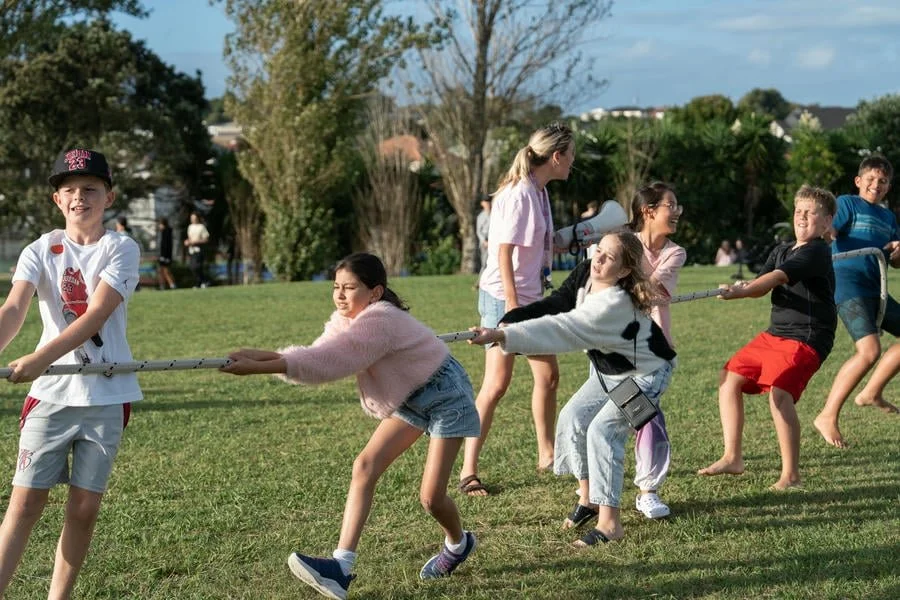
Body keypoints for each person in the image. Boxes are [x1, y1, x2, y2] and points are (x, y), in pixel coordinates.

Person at [220, 252, 480, 600]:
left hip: (446, 395)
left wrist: (257, 366)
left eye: (350, 288)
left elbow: (328, 363)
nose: (340, 295)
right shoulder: (347, 319)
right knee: (364, 466)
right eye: (336, 287)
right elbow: (315, 353)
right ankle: (341, 568)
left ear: (374, 292)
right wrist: (260, 355)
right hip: (409, 396)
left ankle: (458, 543)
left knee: (431, 499)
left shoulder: (380, 320)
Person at [469, 232, 676, 546]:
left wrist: (503, 336)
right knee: (572, 419)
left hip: (646, 373)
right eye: (599, 251)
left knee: (603, 431)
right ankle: (590, 498)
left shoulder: (613, 305)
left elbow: (562, 329)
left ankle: (610, 525)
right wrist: (509, 321)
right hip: (610, 371)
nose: (599, 259)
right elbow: (558, 305)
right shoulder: (587, 272)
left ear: (623, 272)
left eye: (609, 257)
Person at [0, 148, 143, 598]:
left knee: (83, 508)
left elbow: (97, 314)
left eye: (90, 189)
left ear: (109, 196)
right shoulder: (39, 250)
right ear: (57, 201)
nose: (80, 197)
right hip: (52, 397)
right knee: (24, 503)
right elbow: (14, 309)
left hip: (106, 394)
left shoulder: (121, 247)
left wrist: (40, 357)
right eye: (69, 190)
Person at [460, 122, 575, 496]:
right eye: (570, 155)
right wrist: (510, 307)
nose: (573, 162)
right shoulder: (519, 193)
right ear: (556, 157)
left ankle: (547, 455)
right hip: (504, 299)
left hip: (532, 298)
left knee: (549, 376)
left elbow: (537, 245)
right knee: (495, 385)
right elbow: (503, 251)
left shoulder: (539, 191)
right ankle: (468, 472)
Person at [699, 185, 837, 489]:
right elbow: (759, 282)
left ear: (826, 223)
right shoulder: (782, 250)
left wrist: (743, 291)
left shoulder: (816, 251)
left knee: (779, 394)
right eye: (798, 211)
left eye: (810, 213)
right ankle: (732, 457)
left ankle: (791, 476)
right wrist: (739, 286)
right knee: (730, 376)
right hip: (776, 334)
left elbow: (774, 279)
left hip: (808, 337)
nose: (801, 217)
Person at [815, 156, 900, 448]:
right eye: (872, 179)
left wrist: (898, 251)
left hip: (878, 289)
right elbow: (829, 230)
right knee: (869, 350)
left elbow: (896, 260)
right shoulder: (848, 203)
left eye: (883, 181)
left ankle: (872, 393)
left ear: (889, 185)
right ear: (859, 180)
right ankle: (827, 415)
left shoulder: (889, 218)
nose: (877, 185)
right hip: (849, 286)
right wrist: (829, 231)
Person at [184, 212, 210, 288]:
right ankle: (200, 282)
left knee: (197, 266)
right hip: (191, 249)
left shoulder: (201, 227)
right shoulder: (190, 227)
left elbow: (206, 239)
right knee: (192, 267)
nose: (193, 220)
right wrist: (187, 241)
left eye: (194, 218)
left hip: (199, 249)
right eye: (191, 218)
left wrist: (196, 242)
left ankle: (203, 281)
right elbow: (189, 238)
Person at [156, 217, 177, 290]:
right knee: (161, 271)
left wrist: (165, 256)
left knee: (166, 271)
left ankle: (172, 284)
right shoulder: (162, 232)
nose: (159, 226)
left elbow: (167, 246)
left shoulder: (166, 232)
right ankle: (162, 285)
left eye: (160, 224)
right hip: (162, 255)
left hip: (166, 256)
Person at [475, 194, 492, 275]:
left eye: (489, 201)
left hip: (493, 240)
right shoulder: (480, 216)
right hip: (485, 242)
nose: (488, 203)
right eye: (486, 202)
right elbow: (478, 231)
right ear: (482, 203)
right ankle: (480, 281)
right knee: (484, 263)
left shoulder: (495, 214)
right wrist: (484, 241)